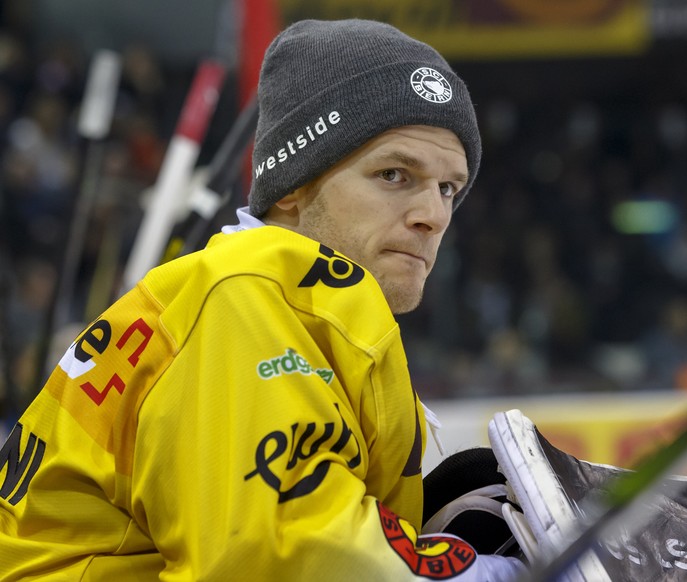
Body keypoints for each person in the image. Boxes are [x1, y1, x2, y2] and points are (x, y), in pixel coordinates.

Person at [0, 20, 525, 580]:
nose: (434, 215)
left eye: (449, 188)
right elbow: (277, 559)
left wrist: (419, 540)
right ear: (293, 187)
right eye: (393, 174)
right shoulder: (243, 298)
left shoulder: (284, 308)